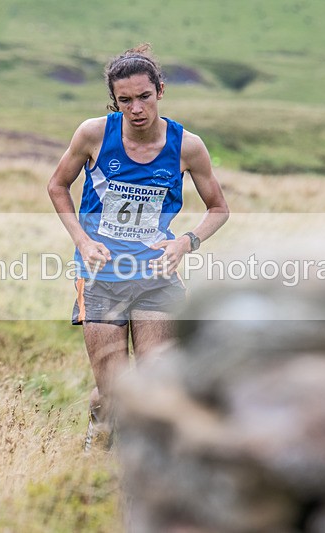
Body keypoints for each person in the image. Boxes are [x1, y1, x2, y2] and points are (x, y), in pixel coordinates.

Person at [47, 44, 229, 451]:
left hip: (155, 278)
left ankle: (136, 473)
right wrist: (82, 239)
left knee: (155, 384)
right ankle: (99, 427)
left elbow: (219, 208)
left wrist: (186, 241)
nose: (136, 109)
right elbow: (57, 186)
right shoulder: (93, 134)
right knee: (114, 392)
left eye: (144, 97)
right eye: (125, 100)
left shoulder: (187, 147)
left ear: (160, 90)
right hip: (102, 277)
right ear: (115, 102)